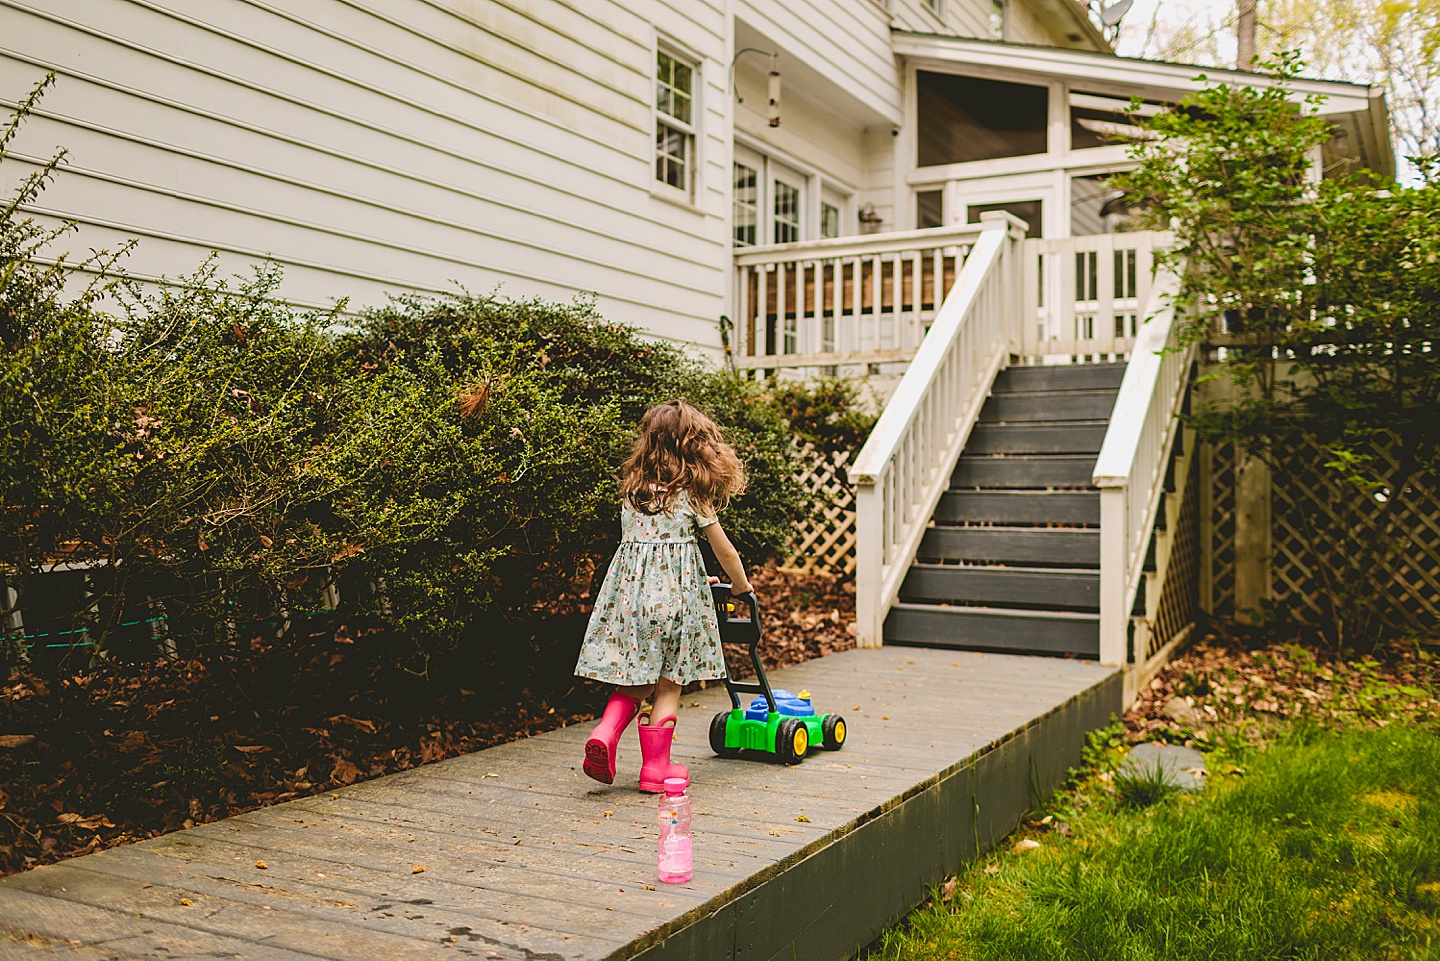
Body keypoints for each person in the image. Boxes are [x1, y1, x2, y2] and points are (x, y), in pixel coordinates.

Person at [575, 400, 753, 792]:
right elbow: (724, 551)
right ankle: (655, 771)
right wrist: (741, 586)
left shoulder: (633, 493)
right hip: (674, 605)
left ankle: (605, 733)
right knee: (669, 684)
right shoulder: (691, 495)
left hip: (628, 603)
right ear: (694, 448)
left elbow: (649, 549)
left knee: (633, 682)